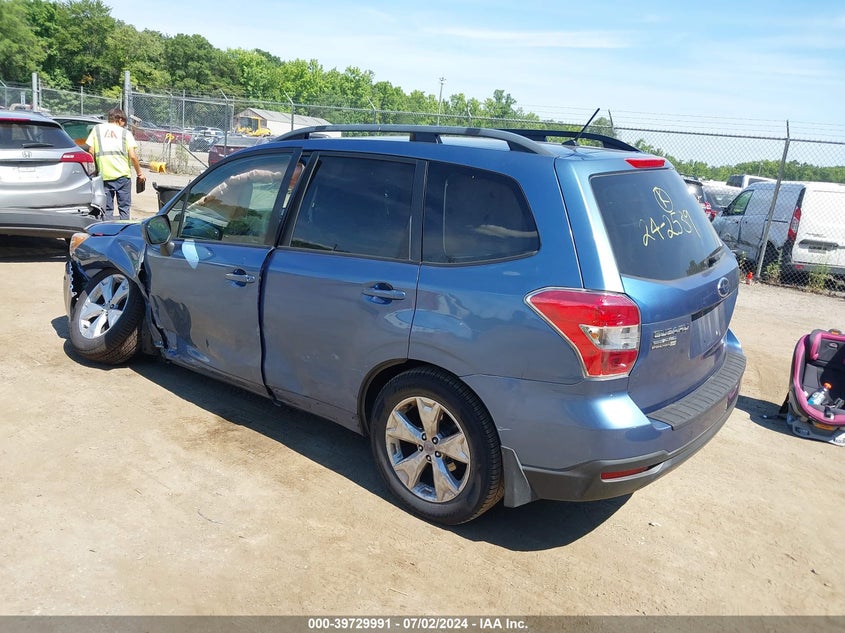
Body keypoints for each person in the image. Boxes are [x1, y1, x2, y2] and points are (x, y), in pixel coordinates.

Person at [85, 107, 145, 220]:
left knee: (106, 209)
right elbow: (132, 156)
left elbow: (91, 151)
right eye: (124, 122)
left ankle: (107, 233)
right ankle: (123, 232)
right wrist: (140, 173)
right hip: (123, 176)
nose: (124, 125)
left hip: (104, 175)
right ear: (120, 119)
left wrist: (94, 170)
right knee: (124, 208)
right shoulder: (125, 133)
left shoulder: (97, 130)